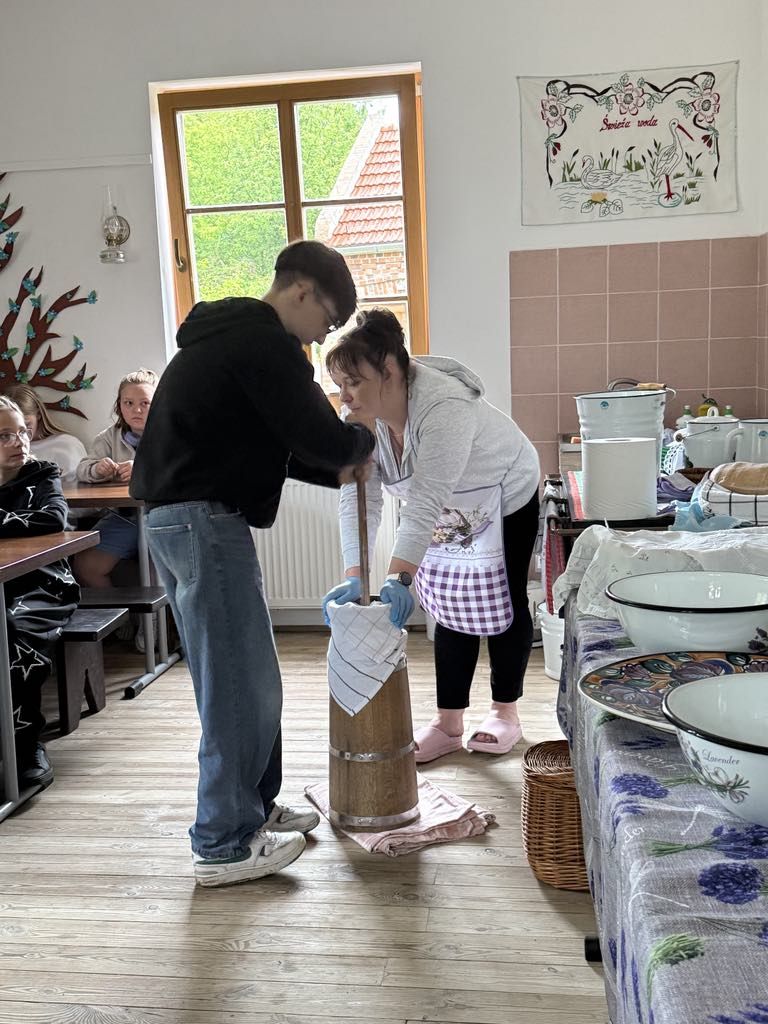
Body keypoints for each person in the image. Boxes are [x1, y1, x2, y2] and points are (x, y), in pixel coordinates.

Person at [130, 240, 375, 888]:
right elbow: (317, 434)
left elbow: (276, 444)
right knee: (237, 685)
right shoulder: (263, 341)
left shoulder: (228, 338)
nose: (321, 336)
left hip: (187, 519)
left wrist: (338, 468)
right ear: (301, 292)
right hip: (202, 521)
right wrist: (363, 437)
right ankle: (223, 844)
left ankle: (254, 809)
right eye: (326, 320)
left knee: (249, 678)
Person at [322, 308, 541, 763]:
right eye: (339, 384)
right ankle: (448, 723)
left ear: (389, 370)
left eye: (354, 382)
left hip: (503, 490)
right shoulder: (359, 416)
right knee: (447, 599)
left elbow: (424, 501)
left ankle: (505, 713)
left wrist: (397, 578)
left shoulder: (444, 406)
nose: (345, 396)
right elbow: (359, 496)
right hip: (448, 502)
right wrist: (355, 573)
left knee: (504, 597)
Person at [0, 396, 80, 790]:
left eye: (21, 432)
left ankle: (26, 742)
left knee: (14, 632)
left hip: (43, 585)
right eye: (4, 436)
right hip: (3, 584)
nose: (18, 442)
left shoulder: (41, 473)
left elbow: (53, 518)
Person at [73, 368, 158, 589]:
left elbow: (182, 468)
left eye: (145, 403)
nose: (136, 410)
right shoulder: (108, 437)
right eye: (128, 403)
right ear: (119, 405)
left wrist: (141, 469)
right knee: (85, 565)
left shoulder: (169, 433)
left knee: (158, 576)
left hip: (161, 517)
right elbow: (82, 469)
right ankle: (120, 613)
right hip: (124, 517)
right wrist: (97, 470)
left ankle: (159, 614)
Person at [2, 384, 88, 487]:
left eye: (26, 426)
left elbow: (81, 482)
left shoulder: (67, 445)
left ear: (38, 414)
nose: (19, 441)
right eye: (6, 434)